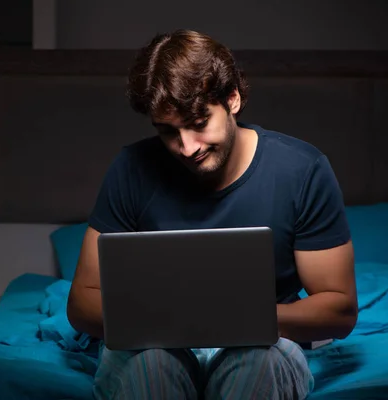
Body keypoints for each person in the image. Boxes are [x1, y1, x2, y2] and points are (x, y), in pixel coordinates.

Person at [66, 29, 358, 400]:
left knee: (258, 361)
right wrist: (171, 322)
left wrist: (238, 320)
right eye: (168, 132)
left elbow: (339, 308)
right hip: (151, 345)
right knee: (152, 364)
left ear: (233, 98)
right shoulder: (132, 168)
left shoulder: (302, 171)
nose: (186, 147)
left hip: (262, 344)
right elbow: (82, 302)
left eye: (199, 122)